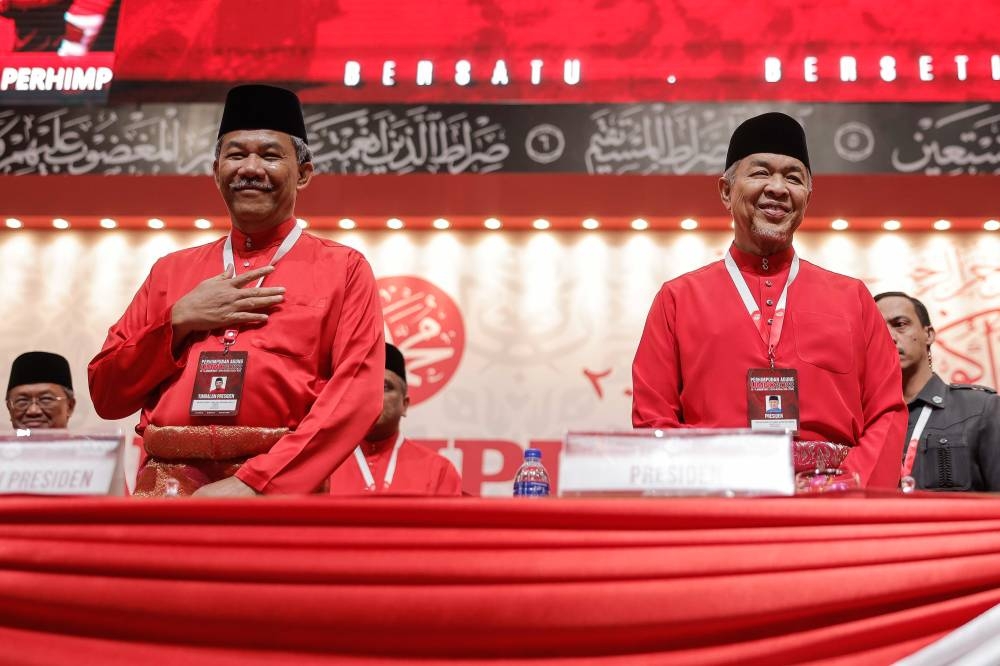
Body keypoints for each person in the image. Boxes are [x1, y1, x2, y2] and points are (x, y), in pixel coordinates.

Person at [89, 84, 385, 497]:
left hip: (280, 489)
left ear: (303, 173)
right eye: (236, 154)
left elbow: (356, 396)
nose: (250, 168)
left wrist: (258, 483)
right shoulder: (171, 271)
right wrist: (178, 322)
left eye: (270, 155)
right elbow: (106, 394)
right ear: (216, 171)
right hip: (166, 489)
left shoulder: (344, 269)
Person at [632, 112, 907, 489]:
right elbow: (654, 419)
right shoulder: (677, 300)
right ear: (726, 191)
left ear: (807, 197)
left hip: (835, 503)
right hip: (717, 503)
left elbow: (887, 412)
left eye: (793, 178)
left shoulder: (853, 298)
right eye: (761, 172)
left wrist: (848, 486)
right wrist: (709, 486)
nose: (777, 188)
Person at [875, 291, 1000, 491]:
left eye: (900, 324)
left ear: (929, 334)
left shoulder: (982, 407)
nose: (889, 337)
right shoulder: (863, 421)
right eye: (878, 329)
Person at [328, 343, 463, 496]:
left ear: (404, 404)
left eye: (385, 387)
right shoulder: (323, 467)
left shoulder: (439, 471)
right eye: (364, 387)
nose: (373, 395)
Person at [6, 351, 75, 429]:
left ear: (70, 406)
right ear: (9, 408)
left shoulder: (84, 437)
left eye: (46, 399)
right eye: (22, 401)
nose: (33, 411)